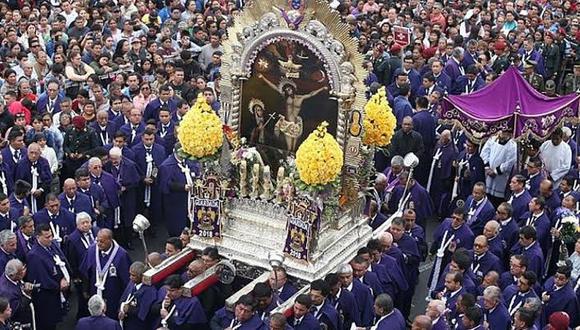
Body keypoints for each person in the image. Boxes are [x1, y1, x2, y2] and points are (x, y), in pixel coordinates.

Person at [258, 73, 328, 151]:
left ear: (292, 89)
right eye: (286, 90)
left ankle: (291, 159)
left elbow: (311, 94)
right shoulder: (286, 97)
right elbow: (274, 87)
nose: (288, 91)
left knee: (293, 147)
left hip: (296, 124)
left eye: (289, 89)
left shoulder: (300, 98)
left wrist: (322, 88)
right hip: (287, 123)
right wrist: (263, 77)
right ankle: (288, 158)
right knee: (289, 147)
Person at [79, 228, 131, 320]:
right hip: (94, 293)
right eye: (97, 240)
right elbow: (85, 272)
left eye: (102, 242)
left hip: (113, 297)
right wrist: (85, 290)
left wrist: (123, 303)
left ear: (110, 240)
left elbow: (127, 281)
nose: (98, 244)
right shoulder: (92, 250)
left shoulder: (121, 255)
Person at [26, 223, 71, 330]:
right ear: (38, 237)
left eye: (51, 235)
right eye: (47, 237)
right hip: (46, 299)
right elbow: (42, 279)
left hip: (56, 293)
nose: (50, 239)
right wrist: (59, 285)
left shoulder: (51, 246)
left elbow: (61, 261)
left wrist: (65, 277)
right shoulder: (34, 255)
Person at [158, 149, 200, 236]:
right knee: (177, 225)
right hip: (175, 201)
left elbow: (196, 172)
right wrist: (182, 187)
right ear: (175, 152)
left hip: (189, 199)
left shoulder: (189, 161)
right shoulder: (166, 166)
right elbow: (166, 184)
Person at [65, 212, 97, 319]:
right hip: (82, 275)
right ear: (77, 225)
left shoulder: (97, 232)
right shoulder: (72, 239)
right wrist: (75, 276)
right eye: (82, 223)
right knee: (83, 300)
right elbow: (71, 260)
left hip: (97, 272)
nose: (85, 225)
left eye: (87, 222)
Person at [480, 130, 517, 206]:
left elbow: (510, 162)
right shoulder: (493, 139)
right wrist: (487, 168)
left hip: (500, 178)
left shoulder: (512, 145)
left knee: (496, 201)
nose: (503, 134)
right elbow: (484, 152)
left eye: (505, 132)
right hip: (488, 174)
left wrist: (496, 171)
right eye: (502, 132)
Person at [118, 261, 157, 330]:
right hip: (127, 323)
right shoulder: (132, 283)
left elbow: (144, 312)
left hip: (139, 326)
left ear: (142, 276)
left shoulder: (149, 290)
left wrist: (129, 309)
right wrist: (121, 310)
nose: (130, 277)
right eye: (130, 274)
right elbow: (123, 298)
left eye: (133, 275)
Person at [0, 259, 33, 326]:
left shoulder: (8, 276)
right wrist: (27, 294)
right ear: (13, 275)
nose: (24, 273)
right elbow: (16, 312)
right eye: (20, 273)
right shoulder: (7, 292)